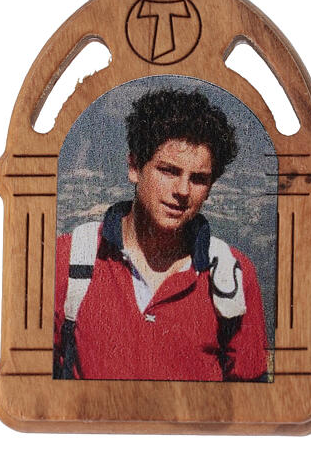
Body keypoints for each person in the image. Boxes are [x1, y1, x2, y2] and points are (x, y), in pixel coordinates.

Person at [54, 89, 268, 381]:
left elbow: (251, 395)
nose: (182, 190)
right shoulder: (68, 260)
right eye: (168, 171)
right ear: (134, 167)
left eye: (198, 179)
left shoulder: (232, 276)